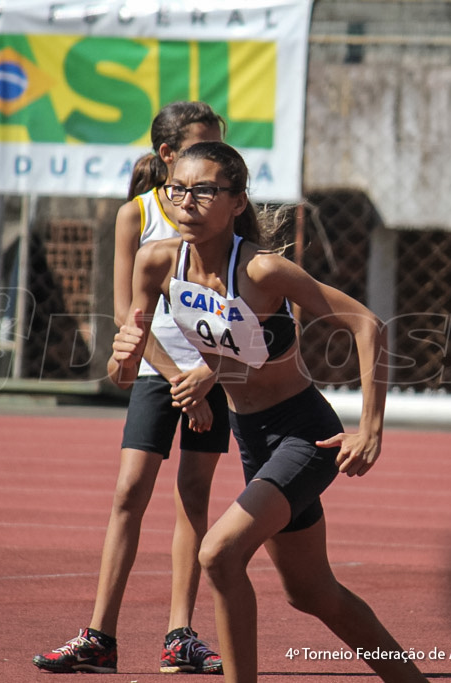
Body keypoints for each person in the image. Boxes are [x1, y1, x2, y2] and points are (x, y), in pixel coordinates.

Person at [111, 141, 428, 683]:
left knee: (219, 554)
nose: (187, 201)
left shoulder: (262, 271)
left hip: (306, 434)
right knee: (312, 592)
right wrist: (139, 362)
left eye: (204, 190)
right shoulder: (157, 261)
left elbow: (366, 326)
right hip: (251, 436)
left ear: (236, 201)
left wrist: (370, 431)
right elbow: (127, 361)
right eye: (178, 190)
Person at [34, 102, 228, 675]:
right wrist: (176, 381)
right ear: (170, 156)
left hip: (215, 370)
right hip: (159, 373)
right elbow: (128, 316)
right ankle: (100, 637)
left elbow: (239, 301)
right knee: (129, 493)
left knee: (194, 497)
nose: (212, 161)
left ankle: (179, 637)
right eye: (201, 148)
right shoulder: (137, 215)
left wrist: (206, 377)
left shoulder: (224, 211)